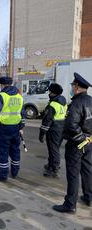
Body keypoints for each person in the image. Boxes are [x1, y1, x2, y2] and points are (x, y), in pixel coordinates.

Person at [53, 72, 92, 214]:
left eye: (72, 85)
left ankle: (70, 204)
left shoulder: (76, 103)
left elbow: (71, 125)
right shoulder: (90, 100)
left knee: (73, 174)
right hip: (89, 142)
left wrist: (80, 138)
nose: (71, 87)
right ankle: (89, 197)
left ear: (76, 87)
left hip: (77, 144)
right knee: (87, 170)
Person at [0, 76, 25, 181]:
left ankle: (3, 175)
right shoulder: (19, 96)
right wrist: (21, 126)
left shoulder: (1, 96)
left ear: (2, 85)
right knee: (15, 150)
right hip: (16, 127)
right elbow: (22, 113)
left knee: (3, 151)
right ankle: (14, 172)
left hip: (4, 127)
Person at [39, 83, 67, 178]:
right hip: (61, 129)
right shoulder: (63, 102)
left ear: (53, 93)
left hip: (53, 129)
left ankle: (54, 169)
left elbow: (47, 121)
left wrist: (42, 133)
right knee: (55, 148)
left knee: (53, 150)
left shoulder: (53, 105)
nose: (49, 93)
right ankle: (51, 164)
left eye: (50, 92)